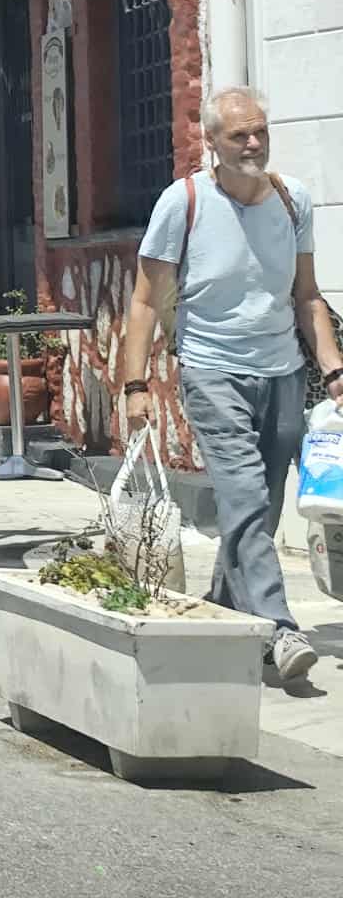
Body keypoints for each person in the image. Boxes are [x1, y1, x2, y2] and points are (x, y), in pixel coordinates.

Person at [120, 86, 343, 682]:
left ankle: (222, 608)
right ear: (211, 141)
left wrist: (334, 370)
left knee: (260, 508)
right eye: (240, 134)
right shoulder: (184, 202)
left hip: (284, 373)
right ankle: (279, 629)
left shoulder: (293, 199)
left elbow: (307, 295)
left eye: (260, 131)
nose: (253, 143)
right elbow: (144, 300)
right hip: (212, 370)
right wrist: (135, 384)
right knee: (244, 496)